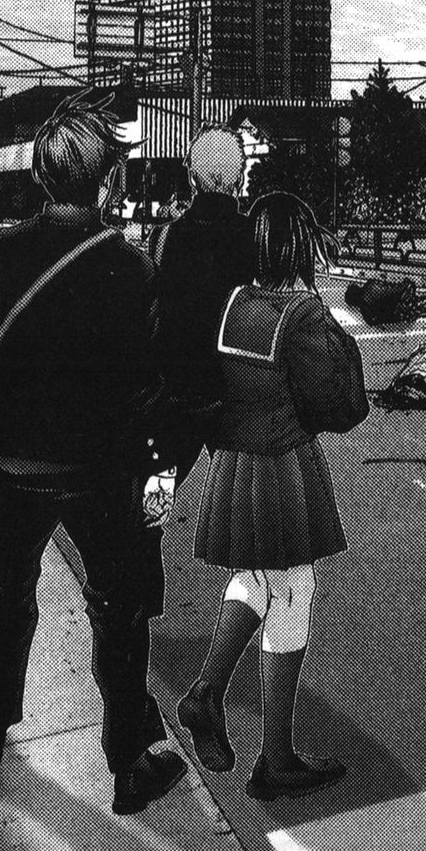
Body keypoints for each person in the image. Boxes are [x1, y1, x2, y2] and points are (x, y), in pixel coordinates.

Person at [0, 91, 186, 815]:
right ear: (107, 180)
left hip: (16, 462)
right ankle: (129, 763)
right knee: (117, 609)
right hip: (97, 468)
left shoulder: (9, 250)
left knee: (8, 591)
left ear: (41, 177)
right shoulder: (129, 265)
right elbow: (146, 380)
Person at [177, 192, 369, 801]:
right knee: (292, 590)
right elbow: (342, 406)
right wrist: (331, 329)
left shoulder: (236, 304)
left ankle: (207, 694)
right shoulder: (304, 316)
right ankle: (276, 757)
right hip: (282, 466)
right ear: (302, 249)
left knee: (255, 580)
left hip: (235, 464)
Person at [151, 127, 253, 447]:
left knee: (163, 474)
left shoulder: (163, 237)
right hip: (236, 391)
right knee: (236, 477)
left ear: (192, 177)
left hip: (178, 389)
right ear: (239, 178)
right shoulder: (254, 235)